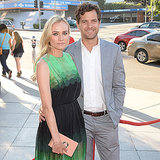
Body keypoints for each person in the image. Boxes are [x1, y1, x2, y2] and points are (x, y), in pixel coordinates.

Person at [40, 3, 125, 160]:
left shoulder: (114, 50)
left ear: (99, 22)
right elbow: (56, 85)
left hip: (107, 120)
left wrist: (117, 113)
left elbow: (119, 86)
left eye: (93, 21)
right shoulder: (67, 52)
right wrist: (44, 107)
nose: (89, 26)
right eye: (84, 21)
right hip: (78, 120)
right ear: (77, 24)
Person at [33, 16, 86, 160]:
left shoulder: (70, 58)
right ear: (48, 36)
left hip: (75, 121)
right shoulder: (43, 64)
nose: (61, 38)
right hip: (55, 126)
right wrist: (56, 140)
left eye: (65, 33)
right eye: (55, 33)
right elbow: (47, 106)